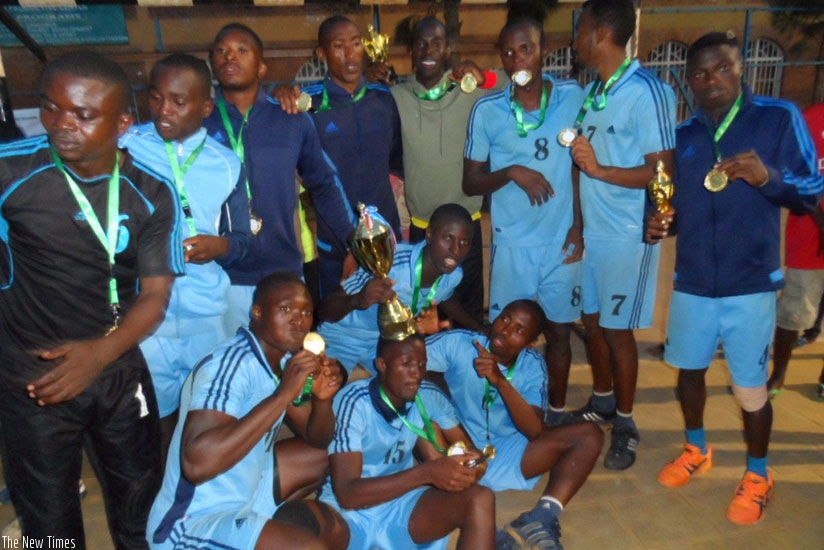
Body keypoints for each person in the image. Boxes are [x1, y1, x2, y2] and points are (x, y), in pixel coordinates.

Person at [0, 51, 184, 548]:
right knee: (48, 527)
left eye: (83, 115)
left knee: (140, 511)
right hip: (33, 379)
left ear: (123, 124)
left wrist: (98, 356)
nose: (62, 124)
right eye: (51, 107)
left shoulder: (151, 193)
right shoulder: (10, 172)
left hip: (116, 367)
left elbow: (155, 297)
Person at [646, 32, 823, 525]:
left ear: (741, 67)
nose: (711, 80)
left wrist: (768, 177)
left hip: (751, 283)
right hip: (693, 282)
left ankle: (759, 474)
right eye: (700, 73)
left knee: (750, 389)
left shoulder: (777, 117)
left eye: (721, 68)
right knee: (689, 372)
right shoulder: (684, 136)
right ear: (688, 80)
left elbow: (811, 189)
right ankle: (696, 449)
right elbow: (673, 206)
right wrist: (661, 221)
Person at [147, 272, 348, 549]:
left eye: (306, 311)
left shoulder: (281, 363)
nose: (298, 320)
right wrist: (283, 394)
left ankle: (260, 530)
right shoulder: (228, 366)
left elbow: (319, 439)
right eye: (286, 309)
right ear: (257, 312)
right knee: (309, 547)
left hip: (248, 493)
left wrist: (323, 400)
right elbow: (196, 465)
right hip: (194, 519)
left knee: (335, 513)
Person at [120, 53, 250, 458]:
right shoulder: (126, 146)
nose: (163, 110)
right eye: (156, 97)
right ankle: (157, 488)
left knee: (204, 418)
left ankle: (194, 489)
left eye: (178, 101)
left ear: (206, 107)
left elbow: (243, 239)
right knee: (151, 423)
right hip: (146, 320)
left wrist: (220, 246)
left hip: (204, 316)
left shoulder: (226, 163)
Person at [463, 6, 585, 427]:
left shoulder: (572, 97)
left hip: (561, 243)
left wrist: (579, 225)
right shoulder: (487, 110)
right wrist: (512, 172)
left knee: (560, 334)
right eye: (509, 52)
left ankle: (554, 413)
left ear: (544, 51)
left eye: (526, 49)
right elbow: (471, 182)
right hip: (513, 245)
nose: (517, 60)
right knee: (504, 339)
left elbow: (580, 166)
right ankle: (498, 416)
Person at [569, 0, 676, 469]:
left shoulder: (648, 91)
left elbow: (663, 172)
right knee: (592, 323)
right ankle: (603, 400)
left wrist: (601, 170)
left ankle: (627, 424)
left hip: (628, 234)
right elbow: (580, 164)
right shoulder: (594, 92)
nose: (575, 40)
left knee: (617, 330)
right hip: (594, 233)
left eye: (580, 30)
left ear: (598, 33)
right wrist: (578, 224)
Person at [203, 23, 355, 334]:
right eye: (221, 51)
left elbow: (324, 183)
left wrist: (351, 240)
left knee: (286, 359)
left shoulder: (290, 119)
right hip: (221, 276)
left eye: (241, 51)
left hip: (283, 271)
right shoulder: (200, 123)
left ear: (261, 67)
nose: (230, 57)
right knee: (229, 358)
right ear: (212, 64)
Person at [426, 300, 603, 549]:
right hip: (457, 443)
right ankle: (485, 528)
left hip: (509, 449)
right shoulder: (461, 342)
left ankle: (542, 517)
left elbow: (534, 431)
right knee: (423, 407)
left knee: (590, 435)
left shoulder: (533, 364)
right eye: (505, 319)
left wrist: (500, 382)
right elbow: (407, 361)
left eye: (519, 330)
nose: (506, 330)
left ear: (530, 343)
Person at [319, 332, 496, 549]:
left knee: (480, 499)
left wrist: (473, 462)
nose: (417, 373)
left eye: (422, 364)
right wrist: (428, 473)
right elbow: (348, 494)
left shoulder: (428, 395)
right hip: (348, 513)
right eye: (406, 364)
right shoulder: (354, 401)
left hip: (401, 503)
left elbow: (468, 446)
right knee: (310, 530)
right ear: (382, 365)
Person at [278, 15, 404, 297]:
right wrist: (279, 95)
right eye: (338, 46)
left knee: (389, 312)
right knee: (339, 315)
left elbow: (395, 163)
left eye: (356, 44)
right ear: (322, 54)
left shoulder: (383, 99)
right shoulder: (307, 105)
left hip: (385, 236)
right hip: (336, 242)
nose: (350, 54)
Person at [390, 16, 498, 328]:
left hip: (467, 225)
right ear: (411, 49)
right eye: (421, 44)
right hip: (424, 227)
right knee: (422, 310)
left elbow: (516, 81)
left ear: (448, 49)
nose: (428, 51)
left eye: (436, 44)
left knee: (469, 309)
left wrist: (485, 77)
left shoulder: (469, 91)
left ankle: (469, 355)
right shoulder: (397, 96)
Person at [317, 203, 481, 375]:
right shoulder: (391, 264)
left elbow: (445, 295)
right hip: (343, 338)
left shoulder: (454, 275)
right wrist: (358, 299)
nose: (455, 250)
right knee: (329, 384)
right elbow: (324, 310)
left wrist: (477, 326)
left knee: (420, 383)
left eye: (464, 242)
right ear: (430, 234)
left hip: (384, 344)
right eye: (448, 238)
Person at [768, 102, 824, 398]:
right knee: (793, 312)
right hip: (811, 236)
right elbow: (794, 176)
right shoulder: (809, 120)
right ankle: (778, 373)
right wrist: (821, 222)